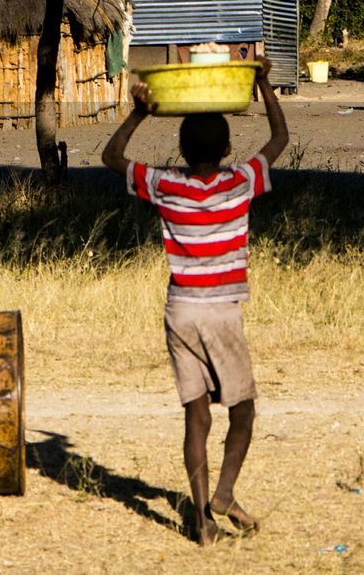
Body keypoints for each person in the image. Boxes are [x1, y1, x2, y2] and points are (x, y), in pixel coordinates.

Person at [101, 58, 288, 546]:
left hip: (180, 308)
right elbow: (280, 140)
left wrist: (140, 114)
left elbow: (110, 156)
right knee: (242, 410)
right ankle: (223, 494)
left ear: (180, 148)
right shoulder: (240, 182)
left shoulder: (166, 184)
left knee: (196, 414)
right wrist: (264, 85)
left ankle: (203, 525)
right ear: (228, 149)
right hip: (222, 308)